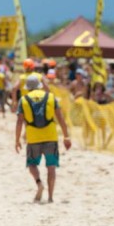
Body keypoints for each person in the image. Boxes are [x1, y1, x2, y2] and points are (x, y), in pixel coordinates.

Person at [15, 75, 72, 203]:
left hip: (33, 137)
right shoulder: (50, 97)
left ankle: (39, 183)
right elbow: (61, 118)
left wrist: (17, 140)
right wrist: (66, 136)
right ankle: (51, 197)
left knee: (32, 164)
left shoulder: (23, 100)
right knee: (51, 167)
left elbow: (19, 122)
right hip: (50, 136)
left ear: (28, 88)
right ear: (40, 86)